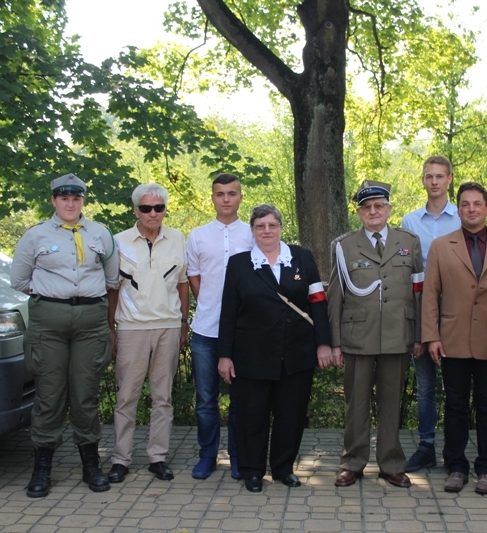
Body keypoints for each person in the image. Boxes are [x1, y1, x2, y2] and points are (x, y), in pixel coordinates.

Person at [10, 173, 119, 497]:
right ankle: (42, 469)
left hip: (90, 320)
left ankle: (90, 465)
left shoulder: (100, 233)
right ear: (53, 201)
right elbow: (19, 279)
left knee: (85, 394)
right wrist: (53, 295)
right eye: (64, 198)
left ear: (83, 200)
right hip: (49, 322)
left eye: (76, 198)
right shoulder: (36, 236)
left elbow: (112, 277)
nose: (70, 203)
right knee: (49, 395)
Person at [217, 204, 332, 492]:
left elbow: (318, 301)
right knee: (251, 415)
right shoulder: (239, 264)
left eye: (272, 225)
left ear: (281, 227)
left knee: (290, 415)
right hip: (251, 355)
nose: (267, 231)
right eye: (260, 226)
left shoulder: (302, 258)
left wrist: (323, 343)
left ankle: (283, 468)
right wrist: (225, 355)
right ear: (253, 231)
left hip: (296, 353)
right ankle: (253, 471)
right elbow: (229, 312)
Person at [421, 182, 487, 495]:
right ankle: (456, 466)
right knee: (456, 405)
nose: (471, 209)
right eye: (465, 204)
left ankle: (486, 467)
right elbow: (431, 294)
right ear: (458, 209)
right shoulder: (440, 245)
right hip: (452, 339)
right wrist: (431, 336)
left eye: (477, 204)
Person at [329, 180, 423, 489]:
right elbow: (336, 295)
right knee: (356, 404)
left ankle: (391, 464)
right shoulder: (343, 245)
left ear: (389, 209)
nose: (373, 211)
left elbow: (419, 292)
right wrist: (335, 342)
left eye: (379, 206)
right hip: (358, 336)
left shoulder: (409, 241)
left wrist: (420, 335)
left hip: (398, 334)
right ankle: (353, 463)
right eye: (367, 207)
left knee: (391, 403)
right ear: (359, 212)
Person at [106, 183, 189, 484]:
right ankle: (120, 459)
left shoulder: (178, 238)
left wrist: (183, 322)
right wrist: (111, 329)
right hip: (131, 328)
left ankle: (158, 457)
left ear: (166, 209)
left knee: (162, 397)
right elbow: (111, 289)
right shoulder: (118, 242)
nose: (153, 213)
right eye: (146, 208)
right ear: (135, 210)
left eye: (159, 207)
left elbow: (182, 284)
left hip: (167, 326)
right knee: (126, 397)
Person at [185, 173, 254, 480]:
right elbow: (195, 278)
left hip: (243, 333)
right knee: (205, 400)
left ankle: (239, 456)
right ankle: (207, 456)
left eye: (232, 193)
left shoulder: (253, 234)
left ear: (241, 197)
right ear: (212, 198)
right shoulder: (198, 235)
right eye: (220, 194)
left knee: (241, 399)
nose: (226, 199)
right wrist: (213, 305)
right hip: (205, 330)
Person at [401, 155, 460, 472]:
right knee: (425, 388)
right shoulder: (410, 222)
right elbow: (408, 274)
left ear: (449, 179)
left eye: (440, 176)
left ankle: (455, 451)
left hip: (456, 316)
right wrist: (415, 327)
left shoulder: (462, 218)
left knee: (456, 387)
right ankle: (426, 447)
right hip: (423, 313)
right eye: (429, 176)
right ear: (422, 180)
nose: (434, 181)